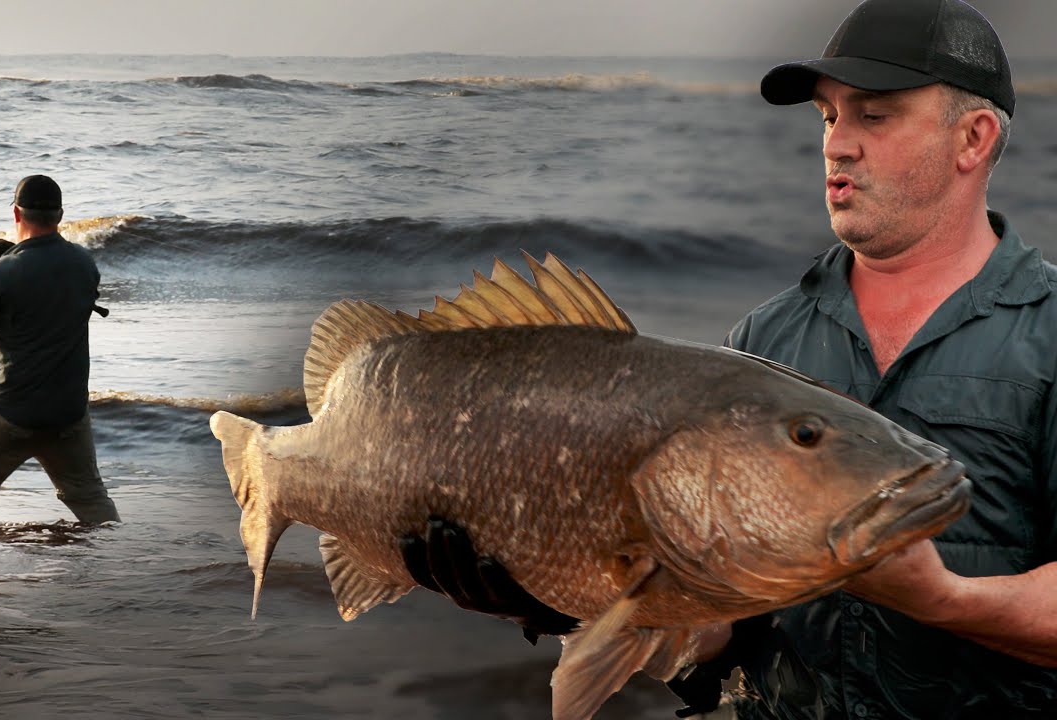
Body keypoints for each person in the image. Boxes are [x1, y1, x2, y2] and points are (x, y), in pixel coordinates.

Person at [401, 1, 1057, 717]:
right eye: (829, 117)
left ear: (973, 137)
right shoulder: (762, 342)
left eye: (875, 115)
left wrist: (945, 600)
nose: (838, 145)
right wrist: (571, 599)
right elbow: (719, 633)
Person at [0, 175, 121, 528]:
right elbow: (49, 276)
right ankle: (118, 557)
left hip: (12, 410)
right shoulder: (85, 265)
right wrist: (11, 257)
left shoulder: (1, 273)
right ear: (60, 215)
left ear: (16, 214)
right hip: (68, 412)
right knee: (89, 497)